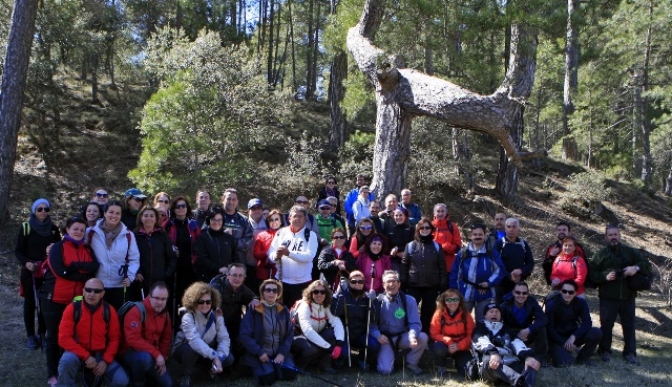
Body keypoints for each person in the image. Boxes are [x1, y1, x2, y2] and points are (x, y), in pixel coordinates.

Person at [40, 217, 99, 384]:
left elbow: (95, 266)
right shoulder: (57, 248)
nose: (79, 232)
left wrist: (73, 266)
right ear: (67, 230)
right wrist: (81, 273)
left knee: (73, 336)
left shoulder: (87, 249)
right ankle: (53, 373)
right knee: (54, 336)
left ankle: (70, 367)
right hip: (55, 299)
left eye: (82, 229)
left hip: (77, 301)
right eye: (76, 228)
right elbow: (60, 272)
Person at [589, 225, 651, 365]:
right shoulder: (601, 255)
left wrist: (635, 268)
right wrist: (605, 276)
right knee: (606, 325)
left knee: (629, 326)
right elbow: (591, 273)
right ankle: (604, 351)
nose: (613, 237)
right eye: (610, 235)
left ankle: (630, 353)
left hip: (628, 296)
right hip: (608, 297)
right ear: (606, 237)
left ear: (620, 235)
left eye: (615, 234)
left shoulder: (630, 252)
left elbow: (646, 264)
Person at [56, 278, 129, 387]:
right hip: (78, 353)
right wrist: (86, 356)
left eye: (96, 291)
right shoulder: (72, 309)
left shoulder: (109, 310)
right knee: (67, 360)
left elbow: (115, 339)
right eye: (88, 290)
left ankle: (100, 375)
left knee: (122, 381)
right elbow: (63, 339)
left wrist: (105, 361)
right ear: (83, 291)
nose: (92, 294)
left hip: (101, 355)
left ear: (103, 293)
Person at [15, 198, 61, 349]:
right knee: (30, 303)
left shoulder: (53, 229)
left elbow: (58, 249)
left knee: (45, 304)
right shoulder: (26, 227)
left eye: (46, 209)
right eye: (39, 209)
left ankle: (42, 334)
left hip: (47, 271)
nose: (42, 212)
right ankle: (30, 336)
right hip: (30, 271)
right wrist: (26, 263)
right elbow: (18, 250)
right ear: (34, 211)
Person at [172, 282, 234, 387]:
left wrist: (219, 356)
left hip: (207, 349)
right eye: (201, 302)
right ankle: (185, 375)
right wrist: (214, 356)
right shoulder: (187, 316)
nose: (205, 305)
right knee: (191, 348)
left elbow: (224, 338)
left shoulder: (216, 315)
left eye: (208, 302)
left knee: (228, 358)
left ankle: (210, 370)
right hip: (185, 349)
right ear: (194, 301)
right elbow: (194, 340)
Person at [239, 280, 297, 386]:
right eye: (268, 290)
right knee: (267, 379)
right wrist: (259, 352)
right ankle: (253, 367)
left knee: (289, 375)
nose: (271, 293)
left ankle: (276, 366)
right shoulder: (254, 309)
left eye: (274, 290)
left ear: (278, 293)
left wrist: (282, 353)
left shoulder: (283, 309)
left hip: (278, 352)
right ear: (262, 292)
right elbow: (244, 335)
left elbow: (289, 334)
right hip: (260, 353)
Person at [370, 270, 428, 376]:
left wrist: (412, 336)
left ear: (399, 284)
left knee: (423, 337)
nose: (391, 284)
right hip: (386, 339)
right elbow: (371, 324)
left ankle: (411, 363)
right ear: (383, 285)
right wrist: (378, 335)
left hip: (403, 336)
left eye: (394, 281)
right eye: (388, 282)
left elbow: (415, 323)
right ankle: (388, 359)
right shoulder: (377, 301)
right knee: (385, 371)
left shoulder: (409, 300)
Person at [88, 200, 140, 310]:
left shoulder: (128, 235)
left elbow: (134, 259)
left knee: (116, 319)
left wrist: (130, 276)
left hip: (119, 285)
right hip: (97, 285)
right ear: (105, 213)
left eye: (118, 213)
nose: (114, 216)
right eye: (111, 212)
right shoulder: (91, 233)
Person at [472, 303, 540, 387]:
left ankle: (524, 382)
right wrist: (493, 353)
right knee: (491, 360)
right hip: (489, 368)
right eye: (491, 311)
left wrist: (527, 356)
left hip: (509, 363)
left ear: (500, 315)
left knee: (531, 362)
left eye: (497, 312)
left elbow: (517, 343)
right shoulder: (479, 328)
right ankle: (521, 383)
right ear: (485, 316)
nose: (494, 313)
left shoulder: (507, 330)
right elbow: (482, 342)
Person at [450, 224, 506, 322]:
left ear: (485, 236)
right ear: (471, 236)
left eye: (480, 234)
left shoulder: (491, 253)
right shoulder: (463, 253)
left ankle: (480, 337)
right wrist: (455, 290)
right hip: (465, 294)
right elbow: (455, 273)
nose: (477, 237)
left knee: (483, 323)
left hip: (486, 295)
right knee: (460, 322)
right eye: (475, 234)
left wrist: (488, 283)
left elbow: (500, 270)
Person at [267, 205, 319, 308]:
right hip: (281, 281)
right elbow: (270, 254)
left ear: (305, 219)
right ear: (289, 218)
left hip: (302, 282)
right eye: (295, 216)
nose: (297, 219)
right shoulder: (281, 233)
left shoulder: (311, 235)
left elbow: (309, 256)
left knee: (299, 314)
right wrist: (276, 256)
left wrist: (288, 254)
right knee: (280, 312)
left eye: (300, 216)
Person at [401, 218, 447, 334]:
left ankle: (425, 334)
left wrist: (443, 283)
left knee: (428, 311)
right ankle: (407, 332)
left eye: (427, 227)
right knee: (409, 309)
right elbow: (404, 266)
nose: (425, 230)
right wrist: (403, 282)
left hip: (431, 284)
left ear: (431, 230)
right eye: (422, 227)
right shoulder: (410, 246)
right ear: (418, 230)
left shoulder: (437, 246)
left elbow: (442, 265)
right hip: (413, 284)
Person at [544, 279, 602, 367]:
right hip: (556, 338)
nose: (567, 294)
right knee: (563, 364)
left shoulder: (581, 303)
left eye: (570, 292)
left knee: (596, 332)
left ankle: (583, 358)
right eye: (564, 291)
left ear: (575, 293)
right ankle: (557, 352)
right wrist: (563, 343)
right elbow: (549, 328)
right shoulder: (552, 304)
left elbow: (587, 323)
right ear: (560, 291)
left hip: (573, 335)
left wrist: (574, 336)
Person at [291, 280, 345, 373]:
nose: (319, 295)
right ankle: (300, 366)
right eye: (316, 292)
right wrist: (328, 347)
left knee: (332, 334)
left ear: (326, 293)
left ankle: (324, 364)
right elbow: (307, 330)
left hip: (315, 334)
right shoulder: (305, 305)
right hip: (297, 336)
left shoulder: (325, 305)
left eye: (322, 292)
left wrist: (339, 343)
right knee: (311, 348)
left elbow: (336, 321)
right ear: (310, 293)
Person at [331, 271, 381, 370]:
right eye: (354, 282)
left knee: (374, 345)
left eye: (360, 282)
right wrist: (339, 295)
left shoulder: (367, 298)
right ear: (349, 283)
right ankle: (340, 361)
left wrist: (374, 300)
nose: (357, 284)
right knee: (343, 351)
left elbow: (375, 318)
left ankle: (362, 359)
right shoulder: (343, 296)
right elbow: (335, 313)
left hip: (361, 334)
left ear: (364, 283)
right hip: (344, 334)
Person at [209, 263, 259, 359]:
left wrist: (255, 299)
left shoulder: (242, 289)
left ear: (244, 277)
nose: (237, 278)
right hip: (215, 325)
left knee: (241, 343)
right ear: (228, 276)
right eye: (234, 275)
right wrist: (215, 308)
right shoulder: (217, 286)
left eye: (240, 276)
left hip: (234, 324)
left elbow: (253, 296)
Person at [133, 207, 177, 299]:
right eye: (146, 215)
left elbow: (172, 257)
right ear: (141, 218)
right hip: (140, 281)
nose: (149, 218)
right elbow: (128, 257)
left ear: (156, 218)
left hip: (159, 281)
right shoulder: (134, 235)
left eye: (151, 216)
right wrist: (136, 272)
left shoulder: (163, 235)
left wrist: (165, 274)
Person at [430, 289, 475, 377]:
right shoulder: (439, 314)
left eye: (455, 300)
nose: (452, 303)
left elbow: (472, 335)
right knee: (438, 347)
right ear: (444, 302)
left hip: (462, 347)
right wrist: (449, 341)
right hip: (445, 345)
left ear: (460, 301)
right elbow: (434, 333)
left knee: (469, 373)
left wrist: (459, 346)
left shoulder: (466, 315)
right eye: (449, 300)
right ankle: (441, 366)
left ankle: (458, 364)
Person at [165, 196, 201, 307]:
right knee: (171, 299)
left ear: (187, 208)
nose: (181, 208)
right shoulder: (168, 225)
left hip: (189, 268)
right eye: (177, 206)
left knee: (187, 298)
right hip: (172, 268)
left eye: (183, 206)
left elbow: (199, 245)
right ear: (173, 209)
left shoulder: (193, 225)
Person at [499, 282, 548, 358]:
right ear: (513, 292)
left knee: (542, 328)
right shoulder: (505, 304)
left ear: (528, 294)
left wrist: (529, 329)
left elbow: (543, 318)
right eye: (518, 292)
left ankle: (540, 357)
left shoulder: (532, 302)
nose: (521, 295)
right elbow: (500, 325)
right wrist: (515, 335)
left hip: (526, 331)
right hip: (510, 333)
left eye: (524, 293)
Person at [194, 206, 238, 283]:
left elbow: (236, 257)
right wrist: (218, 269)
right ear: (209, 220)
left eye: (219, 219)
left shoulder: (229, 238)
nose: (216, 222)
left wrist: (232, 270)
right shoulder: (202, 238)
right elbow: (201, 258)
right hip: (207, 279)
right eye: (213, 219)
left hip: (227, 279)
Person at [494, 218, 534, 302]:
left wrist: (521, 271)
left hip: (518, 285)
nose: (511, 229)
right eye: (508, 227)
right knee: (500, 310)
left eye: (514, 227)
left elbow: (530, 263)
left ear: (518, 229)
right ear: (505, 229)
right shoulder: (499, 244)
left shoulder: (523, 244)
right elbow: (494, 263)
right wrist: (509, 276)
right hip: (501, 284)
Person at [220, 188, 254, 275]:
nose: (231, 202)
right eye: (228, 199)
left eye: (234, 199)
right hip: (219, 262)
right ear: (223, 199)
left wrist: (233, 242)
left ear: (237, 201)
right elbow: (206, 237)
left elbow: (249, 240)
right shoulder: (215, 217)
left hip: (238, 263)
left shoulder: (243, 220)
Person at [253, 209, 283, 283]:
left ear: (280, 221)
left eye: (276, 219)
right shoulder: (262, 235)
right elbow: (256, 254)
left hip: (280, 273)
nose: (274, 222)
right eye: (271, 220)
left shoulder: (286, 235)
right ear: (268, 221)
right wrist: (269, 252)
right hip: (263, 273)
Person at [432, 203, 462, 276]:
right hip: (432, 264)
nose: (440, 213)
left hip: (449, 265)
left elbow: (458, 246)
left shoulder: (452, 226)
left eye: (443, 211)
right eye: (438, 211)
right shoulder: (429, 226)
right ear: (434, 213)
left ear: (446, 213)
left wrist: (446, 247)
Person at [246, 198, 268, 290]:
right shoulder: (244, 223)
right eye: (253, 208)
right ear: (248, 211)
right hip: (248, 263)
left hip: (265, 264)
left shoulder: (268, 223)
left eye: (258, 208)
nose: (256, 210)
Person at [386, 207, 414, 275]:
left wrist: (399, 249)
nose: (398, 217)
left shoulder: (411, 229)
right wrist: (395, 253)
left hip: (408, 259)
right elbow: (387, 247)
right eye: (396, 215)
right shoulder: (390, 230)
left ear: (405, 216)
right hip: (394, 260)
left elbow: (412, 245)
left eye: (401, 215)